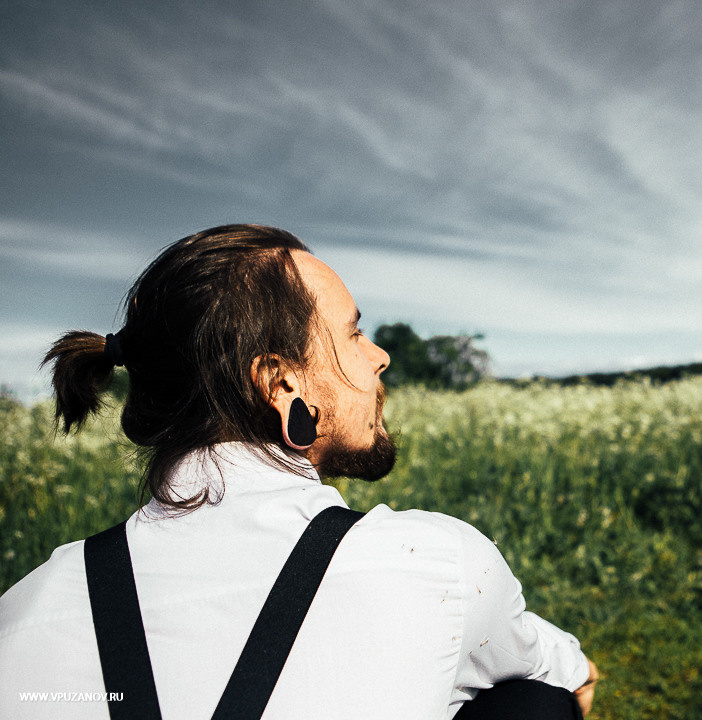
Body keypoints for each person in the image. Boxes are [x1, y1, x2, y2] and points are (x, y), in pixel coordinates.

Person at [0, 225, 598, 718]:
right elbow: (571, 675)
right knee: (537, 704)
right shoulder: (433, 562)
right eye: (354, 333)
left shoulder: (25, 610)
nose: (380, 356)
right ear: (282, 383)